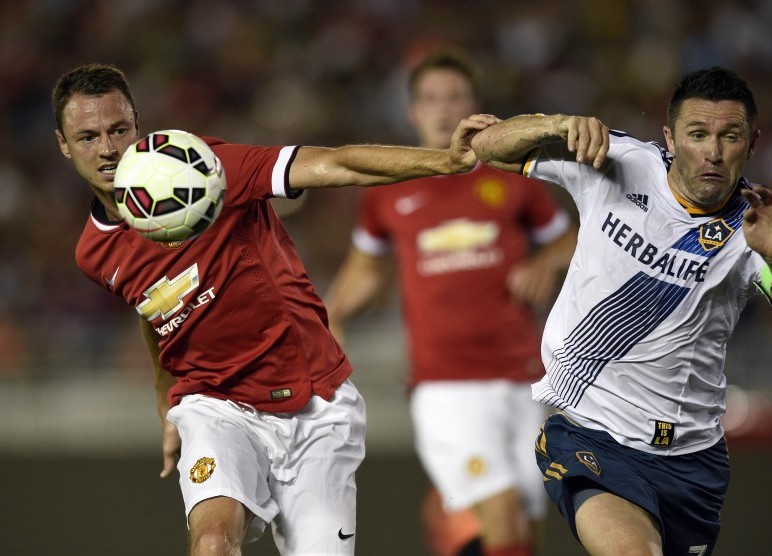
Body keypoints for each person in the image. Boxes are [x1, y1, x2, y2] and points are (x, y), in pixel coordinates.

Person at [52, 62, 497, 556]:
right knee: (214, 541)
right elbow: (153, 310)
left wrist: (444, 161)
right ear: (64, 144)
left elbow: (338, 162)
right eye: (88, 136)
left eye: (118, 130)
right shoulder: (93, 252)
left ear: (138, 124)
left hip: (315, 402)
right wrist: (166, 401)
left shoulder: (208, 168)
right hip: (215, 404)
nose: (109, 150)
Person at [469, 66, 772, 555]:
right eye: (698, 135)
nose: (714, 153)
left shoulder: (758, 229)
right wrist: (558, 124)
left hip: (693, 461)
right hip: (592, 434)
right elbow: (488, 147)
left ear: (754, 142)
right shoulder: (616, 161)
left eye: (730, 137)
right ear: (670, 138)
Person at [325, 49, 576, 556]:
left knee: (525, 525)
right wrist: (329, 314)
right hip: (446, 384)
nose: (443, 109)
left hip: (525, 375)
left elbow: (570, 240)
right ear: (413, 111)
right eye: (431, 99)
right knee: (500, 510)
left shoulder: (513, 176)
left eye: (454, 97)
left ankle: (448, 517)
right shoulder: (389, 189)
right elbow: (365, 271)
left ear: (473, 106)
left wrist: (545, 263)